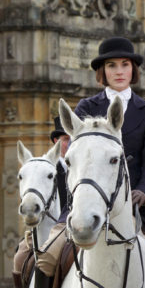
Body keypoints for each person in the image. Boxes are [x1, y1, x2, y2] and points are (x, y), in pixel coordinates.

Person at [35, 36, 145, 288]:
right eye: (112, 66)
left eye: (124, 64)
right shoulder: (86, 107)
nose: (119, 71)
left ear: (133, 70)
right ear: (102, 71)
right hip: (88, 200)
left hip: (136, 203)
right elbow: (77, 159)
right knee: (45, 258)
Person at [12, 117, 70, 288]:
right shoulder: (45, 167)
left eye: (72, 139)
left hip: (76, 226)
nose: (70, 143)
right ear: (56, 142)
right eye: (66, 139)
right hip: (48, 227)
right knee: (19, 257)